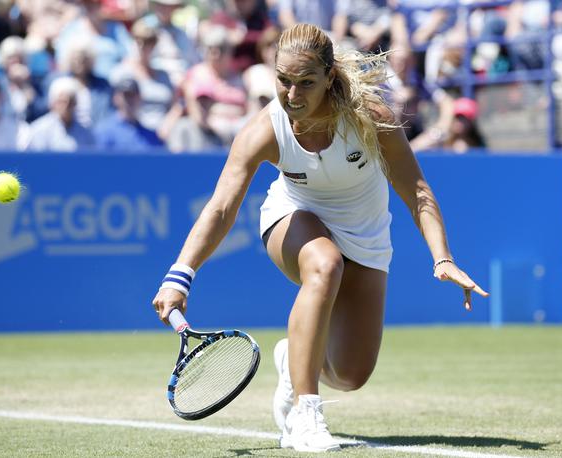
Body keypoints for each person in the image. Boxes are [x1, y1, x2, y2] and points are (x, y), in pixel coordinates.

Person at [151, 23, 488, 453]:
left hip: (364, 236)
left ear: (329, 78)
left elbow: (417, 191)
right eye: (283, 81)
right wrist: (180, 275)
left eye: (305, 83)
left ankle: (294, 359)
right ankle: (305, 415)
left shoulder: (371, 117)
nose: (292, 95)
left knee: (351, 374)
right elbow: (220, 207)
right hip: (292, 217)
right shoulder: (265, 129)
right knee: (325, 264)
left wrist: (442, 257)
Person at [27, 76, 95, 152]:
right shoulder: (38, 130)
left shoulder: (85, 134)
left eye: (71, 102)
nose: (66, 106)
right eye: (61, 101)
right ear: (52, 103)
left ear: (75, 103)